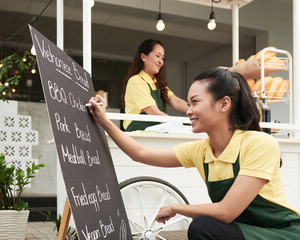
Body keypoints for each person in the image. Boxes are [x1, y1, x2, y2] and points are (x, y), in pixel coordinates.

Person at [88, 67, 300, 240]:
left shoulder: (259, 144)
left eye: (195, 102)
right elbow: (140, 153)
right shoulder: (201, 150)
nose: (188, 110)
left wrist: (176, 208)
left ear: (224, 104)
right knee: (204, 227)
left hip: (281, 233)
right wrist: (104, 121)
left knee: (203, 228)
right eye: (188, 104)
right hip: (243, 232)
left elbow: (227, 212)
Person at [121, 39, 188, 131]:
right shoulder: (136, 81)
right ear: (144, 57)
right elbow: (153, 111)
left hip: (155, 131)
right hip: (137, 133)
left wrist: (195, 110)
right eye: (157, 56)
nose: (161, 62)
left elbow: (176, 101)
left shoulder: (158, 84)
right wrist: (178, 126)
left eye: (162, 58)